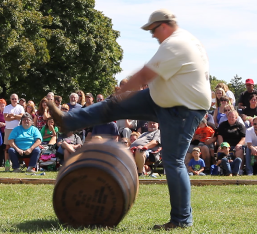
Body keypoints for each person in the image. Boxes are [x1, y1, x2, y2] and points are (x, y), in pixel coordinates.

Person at [48, 8, 210, 230]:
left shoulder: (177, 44)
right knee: (112, 106)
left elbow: (144, 75)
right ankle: (68, 121)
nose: (153, 35)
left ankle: (182, 220)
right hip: (162, 99)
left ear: (163, 25)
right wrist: (118, 101)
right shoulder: (179, 41)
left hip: (183, 109)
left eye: (153, 30)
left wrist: (119, 95)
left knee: (173, 162)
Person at [3, 94, 25, 168]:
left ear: (17, 99)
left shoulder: (20, 107)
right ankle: (7, 163)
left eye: (15, 99)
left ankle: (17, 163)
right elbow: (6, 118)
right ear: (10, 99)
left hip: (18, 129)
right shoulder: (7, 107)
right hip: (9, 129)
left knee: (18, 145)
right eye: (12, 99)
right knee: (7, 146)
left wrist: (13, 115)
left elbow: (22, 117)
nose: (14, 100)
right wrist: (16, 117)